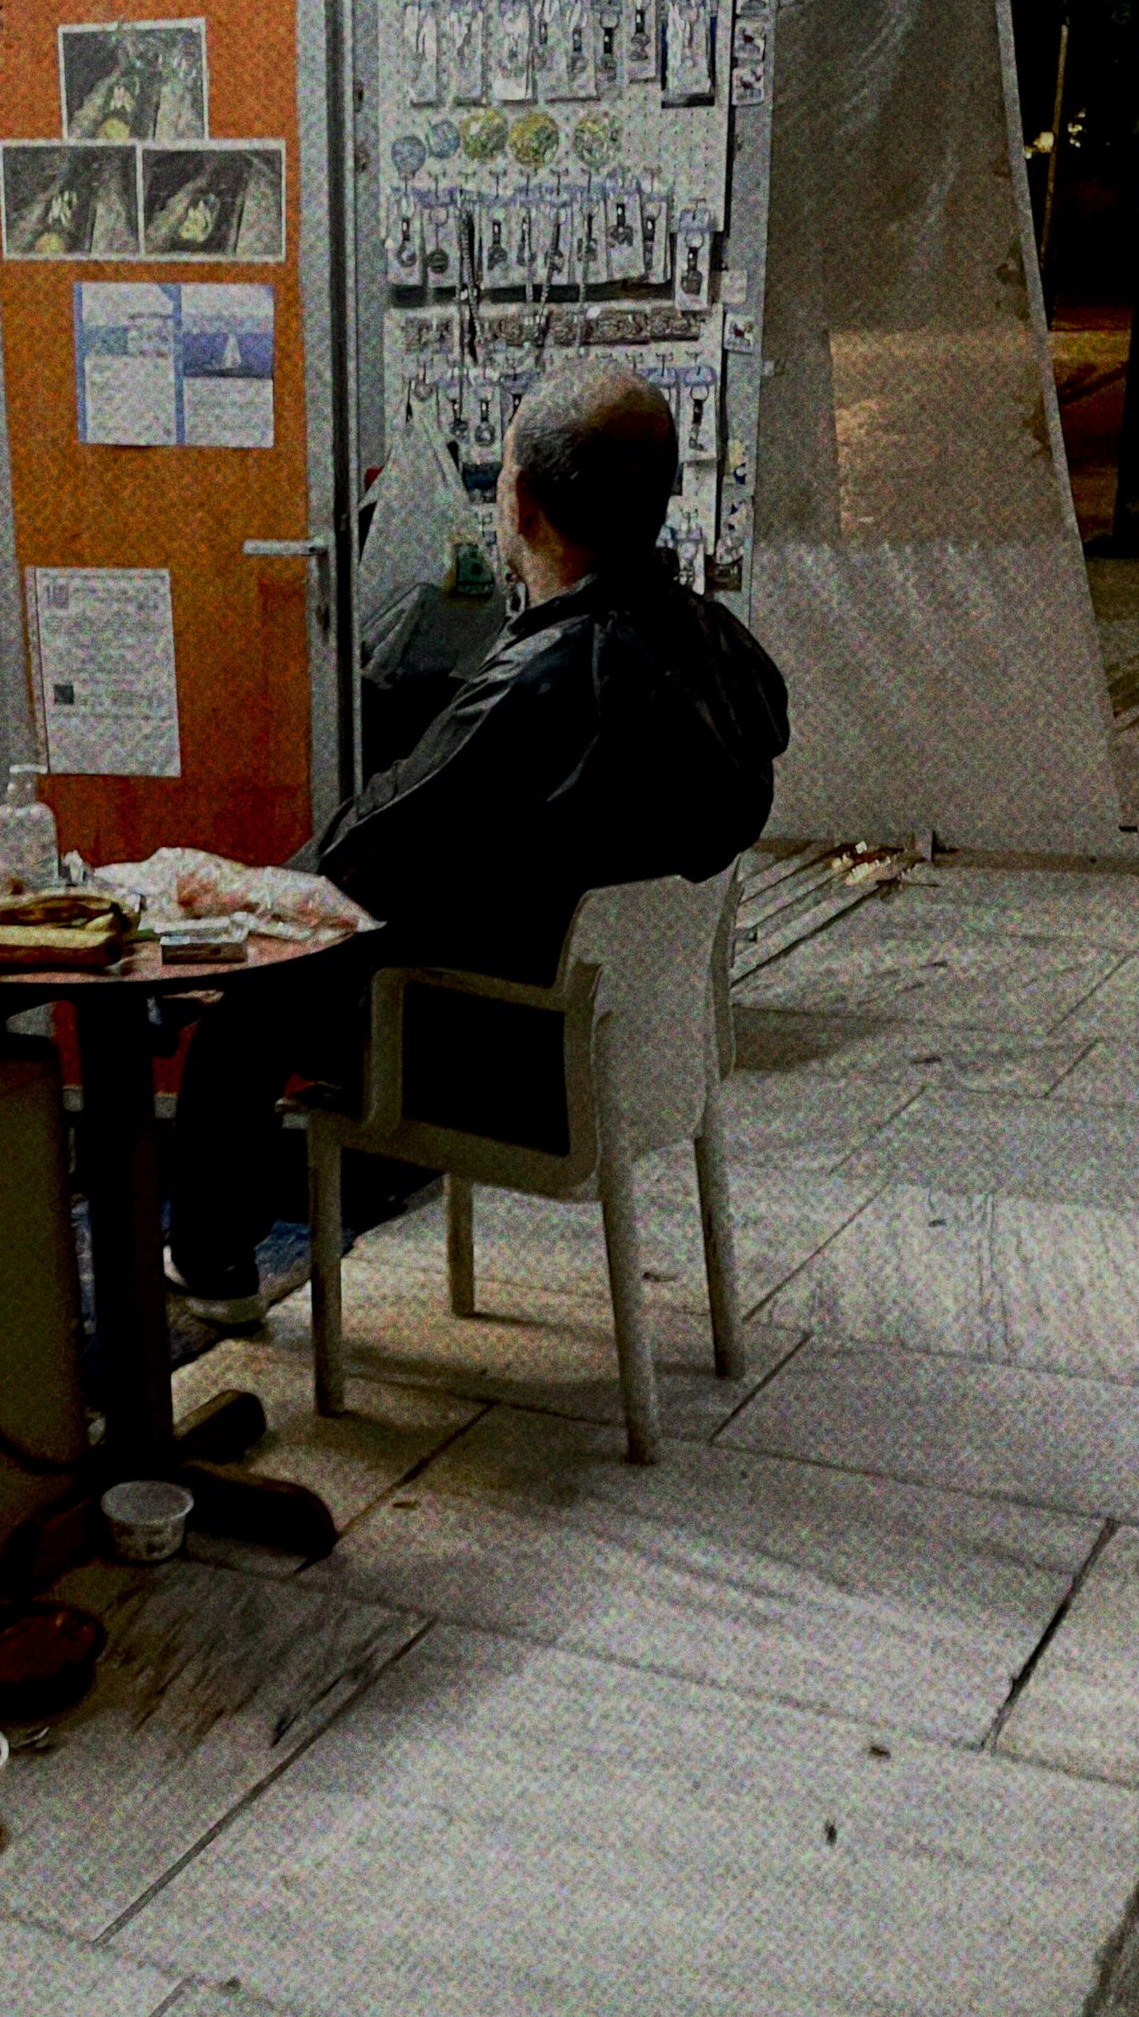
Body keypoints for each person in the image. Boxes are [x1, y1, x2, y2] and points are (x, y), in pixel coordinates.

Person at [168, 362, 790, 1320]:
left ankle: (211, 1275)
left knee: (254, 1004)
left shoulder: (541, 679)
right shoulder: (722, 647)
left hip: (523, 1064)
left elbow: (361, 858)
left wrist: (231, 916)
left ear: (523, 503)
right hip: (655, 1050)